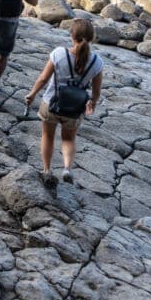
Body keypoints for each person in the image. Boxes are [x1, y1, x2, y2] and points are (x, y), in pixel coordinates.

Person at [23, 19, 104, 183]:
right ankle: (67, 168)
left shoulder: (59, 53)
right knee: (68, 139)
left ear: (71, 35)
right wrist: (92, 104)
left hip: (51, 102)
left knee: (48, 135)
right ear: (91, 38)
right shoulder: (97, 62)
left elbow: (43, 78)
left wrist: (32, 94)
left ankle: (47, 170)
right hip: (75, 108)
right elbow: (96, 92)